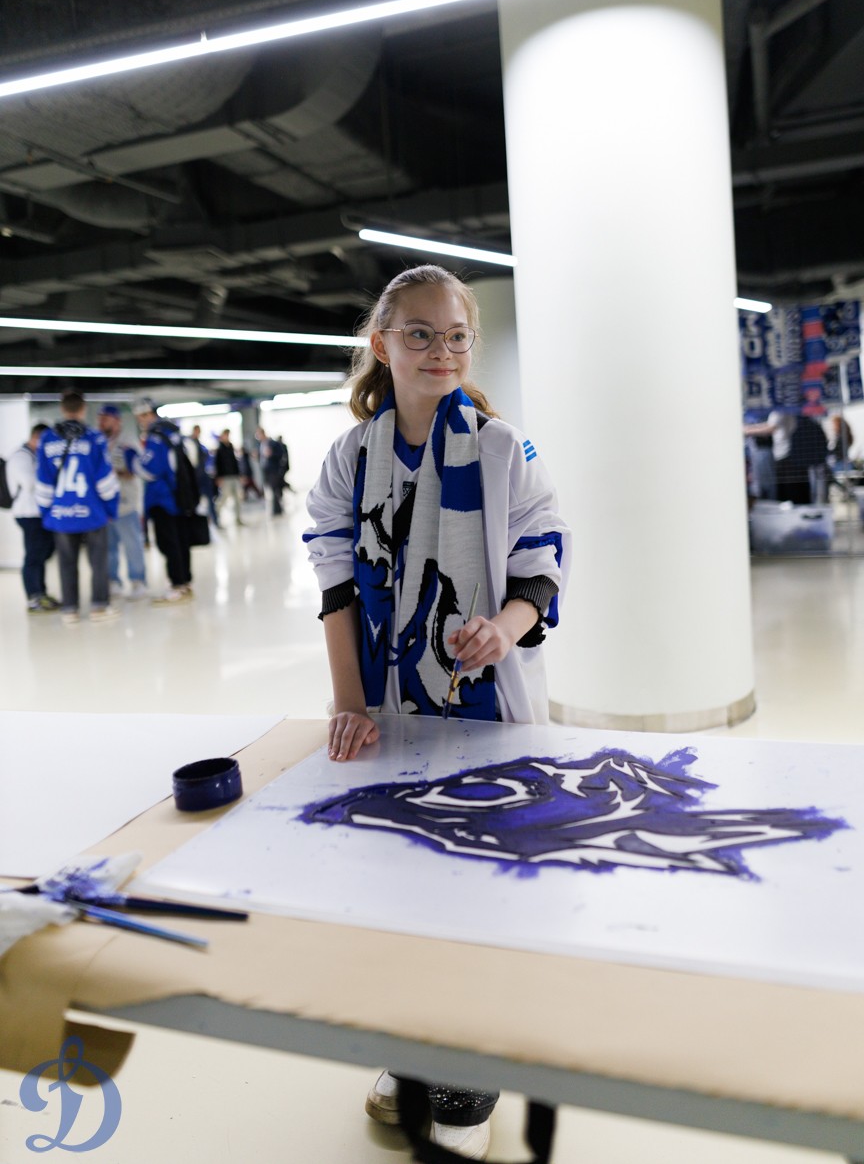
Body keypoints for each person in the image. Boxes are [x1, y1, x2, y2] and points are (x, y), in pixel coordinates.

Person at [303, 265, 570, 1160]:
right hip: (392, 708)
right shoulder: (350, 457)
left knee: (476, 890)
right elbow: (336, 586)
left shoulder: (503, 449)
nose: (441, 350)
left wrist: (502, 627)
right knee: (399, 884)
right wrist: (349, 705)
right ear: (381, 343)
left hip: (485, 709)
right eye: (419, 333)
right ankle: (413, 1049)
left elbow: (542, 560)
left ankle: (469, 1077)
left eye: (455, 335)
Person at [35, 391, 120, 625]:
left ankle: (70, 609)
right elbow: (106, 480)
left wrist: (46, 511)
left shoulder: (47, 439)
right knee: (98, 562)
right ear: (83, 409)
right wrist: (111, 509)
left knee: (66, 562)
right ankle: (99, 606)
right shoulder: (94, 438)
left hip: (61, 513)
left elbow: (42, 481)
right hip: (92, 512)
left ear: (63, 409)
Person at [127, 398, 196, 605]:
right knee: (181, 541)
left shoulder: (156, 437)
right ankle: (185, 583)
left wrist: (131, 458)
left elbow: (150, 469)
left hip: (162, 499)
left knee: (169, 542)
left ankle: (177, 586)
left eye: (142, 416)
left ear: (150, 414)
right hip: (180, 497)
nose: (140, 421)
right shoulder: (173, 433)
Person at [7, 422, 60, 613]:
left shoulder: (35, 455)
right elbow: (30, 483)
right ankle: (34, 597)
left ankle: (41, 593)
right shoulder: (20, 457)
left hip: (39, 514)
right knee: (34, 556)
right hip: (28, 514)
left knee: (42, 554)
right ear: (36, 437)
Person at [97, 404, 149, 599]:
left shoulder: (128, 442)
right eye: (100, 418)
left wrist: (115, 473)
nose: (101, 422)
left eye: (105, 419)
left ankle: (138, 580)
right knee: (108, 547)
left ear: (117, 421)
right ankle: (113, 581)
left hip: (125, 503)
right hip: (104, 505)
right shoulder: (98, 442)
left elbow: (137, 469)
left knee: (132, 544)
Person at [214, 428, 244, 525]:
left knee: (237, 498)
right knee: (224, 498)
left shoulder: (230, 447)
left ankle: (238, 519)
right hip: (225, 477)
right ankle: (216, 516)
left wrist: (239, 475)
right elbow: (218, 464)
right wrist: (219, 477)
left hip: (234, 476)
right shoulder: (219, 449)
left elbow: (234, 462)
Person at [191, 425, 219, 528]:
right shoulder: (190, 444)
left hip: (203, 476)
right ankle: (199, 524)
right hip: (196, 478)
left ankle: (214, 520)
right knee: (197, 501)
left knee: (210, 500)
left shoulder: (200, 445)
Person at [256, 427, 286, 515]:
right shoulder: (261, 444)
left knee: (275, 489)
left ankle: (277, 510)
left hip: (273, 470)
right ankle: (276, 509)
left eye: (259, 435)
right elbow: (262, 457)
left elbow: (280, 454)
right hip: (266, 470)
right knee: (270, 489)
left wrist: (271, 454)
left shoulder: (273, 443)